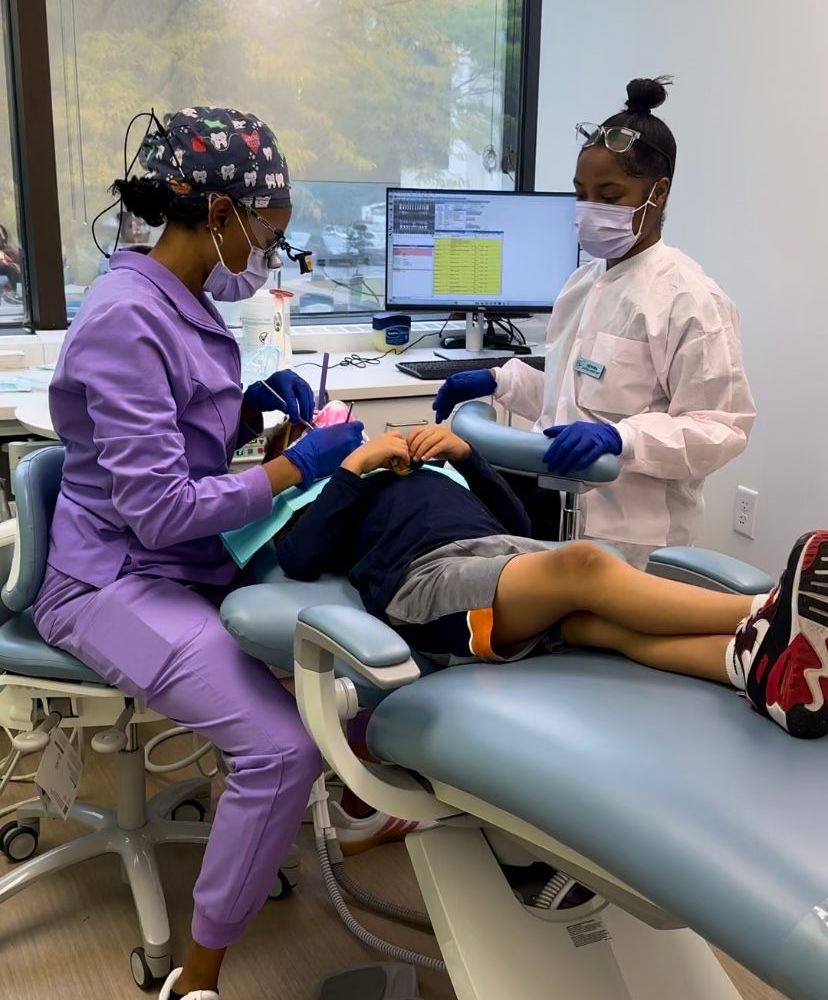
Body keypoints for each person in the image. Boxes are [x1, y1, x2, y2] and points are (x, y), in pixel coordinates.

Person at [32, 107, 364, 1000]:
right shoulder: (123, 319)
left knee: (336, 656)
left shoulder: (176, 298)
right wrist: (292, 465)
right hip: (111, 578)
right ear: (219, 214)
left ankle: (266, 835)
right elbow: (156, 506)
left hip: (181, 563)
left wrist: (256, 407)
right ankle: (200, 974)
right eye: (271, 237)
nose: (270, 257)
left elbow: (182, 429)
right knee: (282, 748)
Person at [276, 424, 828, 741]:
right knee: (586, 564)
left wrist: (466, 457)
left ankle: (768, 674)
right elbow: (300, 559)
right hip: (427, 579)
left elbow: (514, 525)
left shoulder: (427, 474)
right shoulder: (323, 500)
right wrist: (351, 468)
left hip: (509, 558)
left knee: (604, 626)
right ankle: (766, 609)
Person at [433, 77, 756, 568]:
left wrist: (623, 437)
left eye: (609, 196)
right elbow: (573, 392)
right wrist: (499, 380)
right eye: (581, 194)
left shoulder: (690, 300)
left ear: (659, 192)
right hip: (552, 518)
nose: (589, 212)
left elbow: (719, 428)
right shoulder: (583, 284)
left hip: (637, 543)